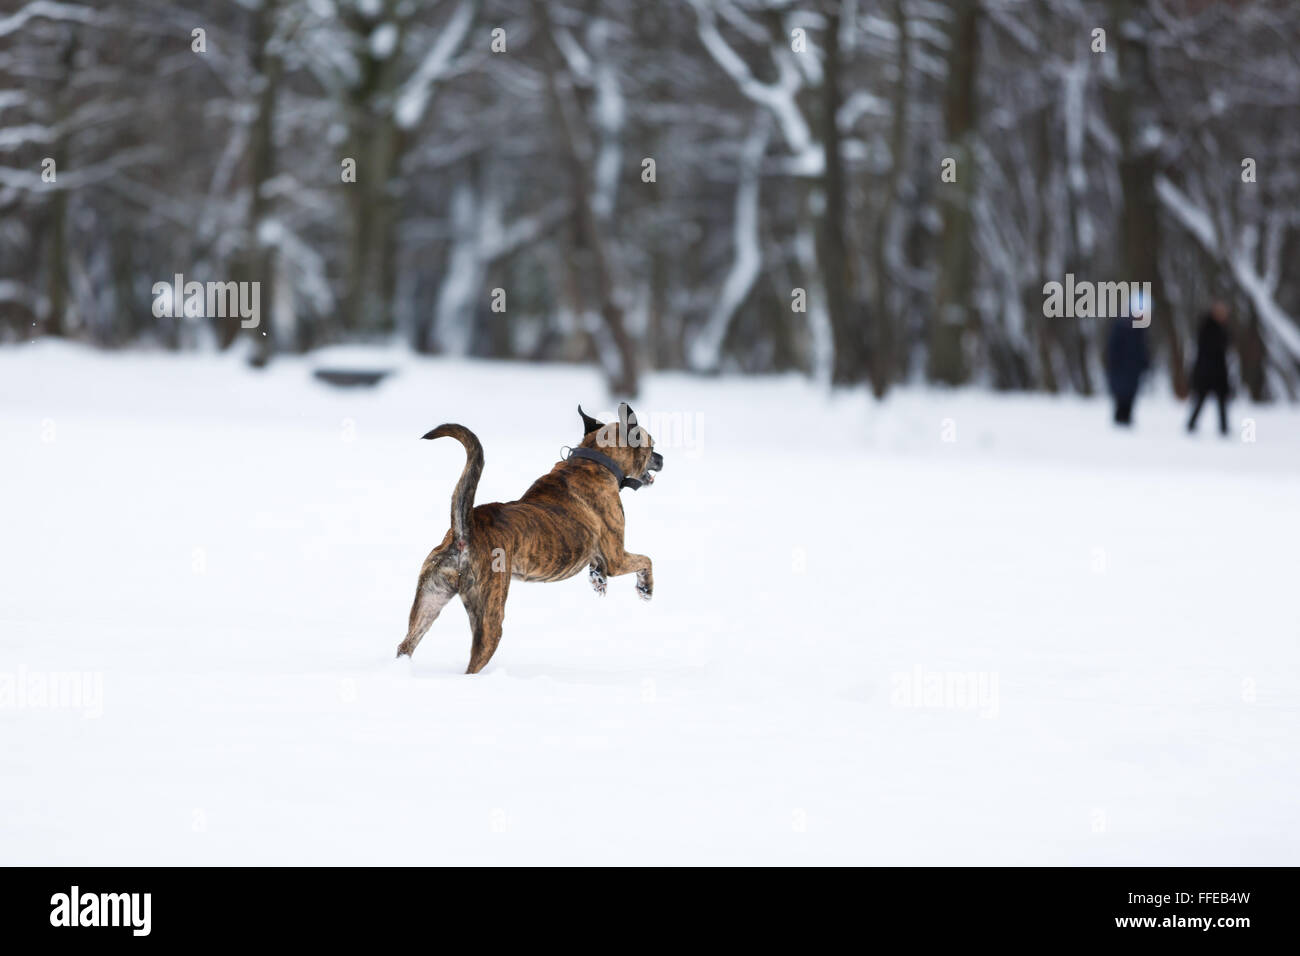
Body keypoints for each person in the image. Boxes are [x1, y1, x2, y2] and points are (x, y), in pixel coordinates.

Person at [1187, 301, 1231, 435]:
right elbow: (1208, 348)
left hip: (1219, 372)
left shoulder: (1223, 328)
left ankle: (1224, 427)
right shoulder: (1206, 327)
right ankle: (1191, 425)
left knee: (1222, 401)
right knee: (1200, 400)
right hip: (1205, 372)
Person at [1105, 310, 1150, 426]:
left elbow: (1141, 349)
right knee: (1121, 396)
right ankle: (1120, 421)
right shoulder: (1120, 328)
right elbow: (1113, 350)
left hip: (1133, 370)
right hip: (1121, 369)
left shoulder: (1139, 330)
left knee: (1130, 396)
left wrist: (1144, 363)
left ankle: (1126, 419)